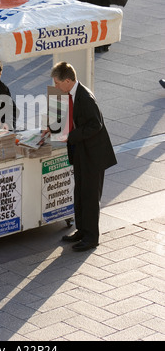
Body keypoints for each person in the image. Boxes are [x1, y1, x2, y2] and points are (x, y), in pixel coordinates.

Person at [50, 62, 117, 251]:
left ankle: (91, 237)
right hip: (81, 152)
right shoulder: (70, 94)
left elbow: (96, 125)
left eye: (57, 83)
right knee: (79, 192)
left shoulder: (85, 98)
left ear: (68, 81)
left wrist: (69, 137)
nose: (56, 87)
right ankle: (81, 230)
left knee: (89, 196)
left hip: (93, 155)